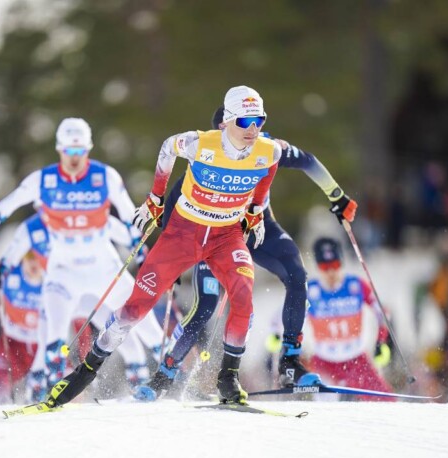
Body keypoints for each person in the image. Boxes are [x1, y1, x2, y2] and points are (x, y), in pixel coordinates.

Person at [39, 85, 282, 409]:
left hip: (226, 236)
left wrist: (256, 208)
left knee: (243, 293)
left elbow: (268, 171)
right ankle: (84, 372)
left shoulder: (268, 151)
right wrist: (155, 198)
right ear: (226, 121)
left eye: (259, 120)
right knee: (135, 308)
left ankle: (228, 379)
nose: (252, 129)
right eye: (244, 121)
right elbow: (168, 147)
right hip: (183, 234)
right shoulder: (202, 144)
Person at [133, 105, 358, 400]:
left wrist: (337, 196)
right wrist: (166, 263)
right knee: (205, 307)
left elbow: (308, 161)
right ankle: (166, 374)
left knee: (295, 273)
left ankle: (290, 361)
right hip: (215, 238)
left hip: (259, 232)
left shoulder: (266, 147)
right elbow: (168, 214)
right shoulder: (203, 157)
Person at [0, 118, 164, 399]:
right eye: (68, 151)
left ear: (87, 149)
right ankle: (45, 392)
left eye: (79, 152)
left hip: (105, 269)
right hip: (63, 272)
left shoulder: (105, 177)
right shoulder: (43, 180)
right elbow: (4, 208)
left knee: (145, 326)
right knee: (52, 335)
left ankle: (174, 378)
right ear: (59, 149)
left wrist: (147, 256)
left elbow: (130, 219)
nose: (74, 158)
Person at [303, 237, 394, 401]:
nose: (331, 272)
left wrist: (381, 341)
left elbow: (381, 311)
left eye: (335, 265)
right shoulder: (310, 290)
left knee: (386, 402)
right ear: (318, 267)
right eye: (325, 267)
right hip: (324, 362)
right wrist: (288, 345)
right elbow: (288, 318)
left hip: (356, 360)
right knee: (328, 412)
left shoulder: (356, 285)